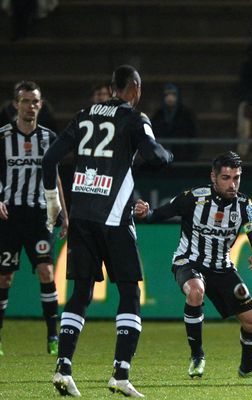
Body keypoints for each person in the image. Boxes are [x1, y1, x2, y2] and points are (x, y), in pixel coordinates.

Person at [43, 65, 173, 397]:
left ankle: (63, 368)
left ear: (112, 87)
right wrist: (167, 154)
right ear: (135, 88)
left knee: (81, 292)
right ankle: (120, 373)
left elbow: (50, 159)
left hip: (82, 213)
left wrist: (53, 204)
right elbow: (154, 155)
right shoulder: (134, 117)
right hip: (114, 216)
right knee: (129, 292)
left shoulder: (85, 114)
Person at [134, 151, 252, 380]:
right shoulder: (194, 198)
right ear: (213, 177)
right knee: (196, 291)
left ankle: (247, 367)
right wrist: (144, 212)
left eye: (237, 177)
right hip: (189, 261)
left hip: (223, 267)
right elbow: (157, 215)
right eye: (226, 178)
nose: (232, 184)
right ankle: (197, 355)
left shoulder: (244, 205)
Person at [0, 81, 67, 357]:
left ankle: (53, 335)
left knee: (46, 271)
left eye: (35, 101)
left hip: (39, 214)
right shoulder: (3, 136)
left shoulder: (49, 138)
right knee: (4, 278)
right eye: (26, 101)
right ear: (16, 104)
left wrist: (63, 212)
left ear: (41, 105)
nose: (31, 106)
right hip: (9, 215)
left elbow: (55, 177)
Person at [151, 83, 199, 162]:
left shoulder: (186, 115)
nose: (170, 97)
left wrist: (191, 157)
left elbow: (194, 136)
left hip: (183, 158)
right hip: (162, 159)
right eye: (167, 94)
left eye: (173, 94)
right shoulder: (158, 115)